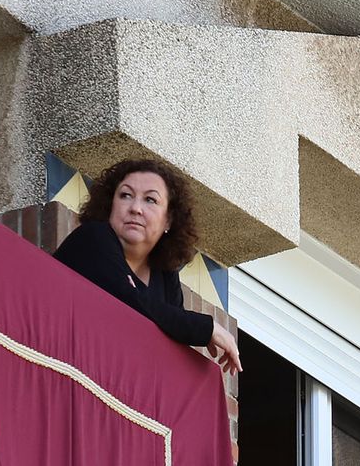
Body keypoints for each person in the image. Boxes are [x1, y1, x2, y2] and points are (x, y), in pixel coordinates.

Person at [52, 158, 242, 372]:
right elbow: (128, 303)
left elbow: (168, 345)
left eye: (150, 200)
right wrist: (206, 328)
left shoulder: (165, 274)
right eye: (125, 195)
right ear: (110, 206)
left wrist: (188, 328)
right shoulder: (94, 238)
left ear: (168, 220)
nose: (135, 208)